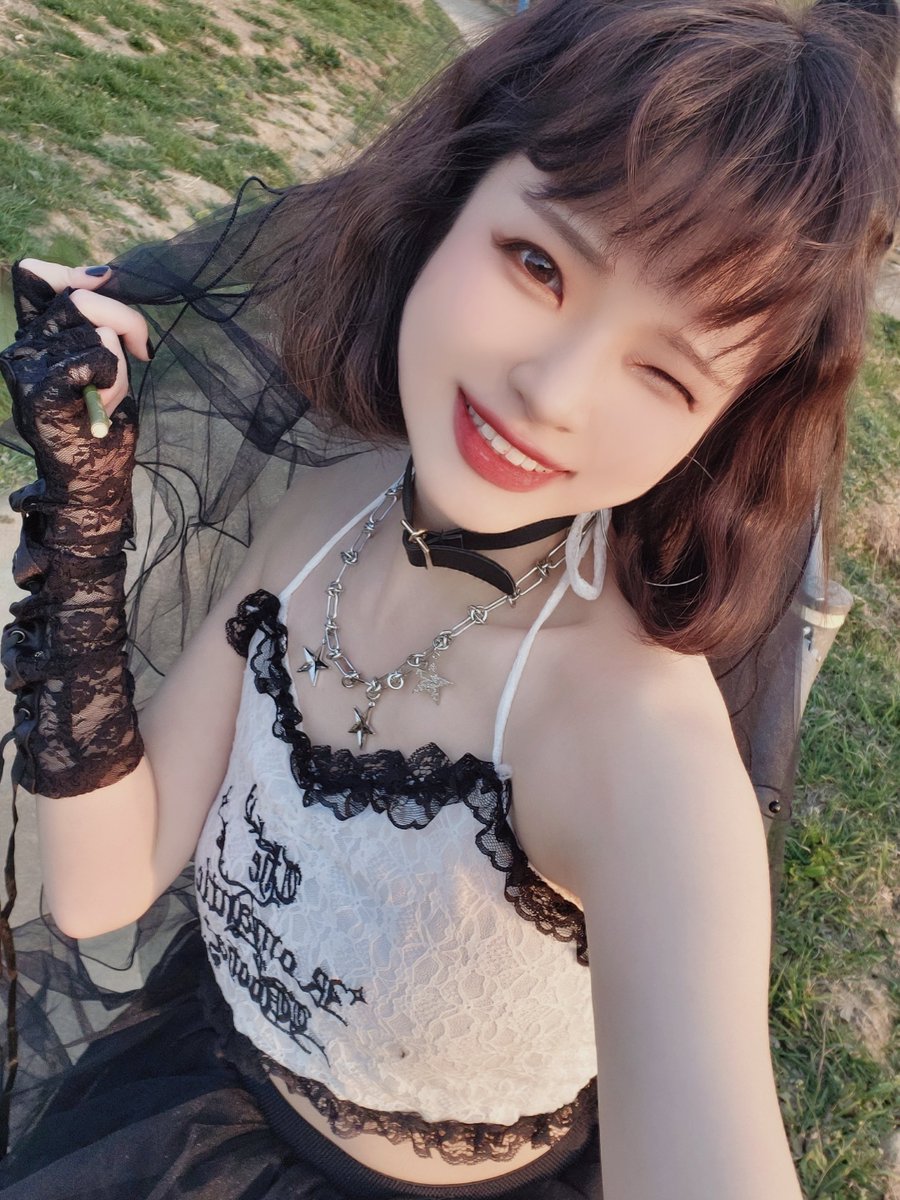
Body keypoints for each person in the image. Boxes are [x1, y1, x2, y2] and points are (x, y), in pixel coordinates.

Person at [0, 0, 896, 1196]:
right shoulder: (332, 513)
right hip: (188, 1099)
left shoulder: (639, 750)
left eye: (665, 371)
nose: (553, 393)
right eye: (539, 263)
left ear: (720, 431)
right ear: (446, 199)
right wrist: (82, 529)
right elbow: (102, 883)